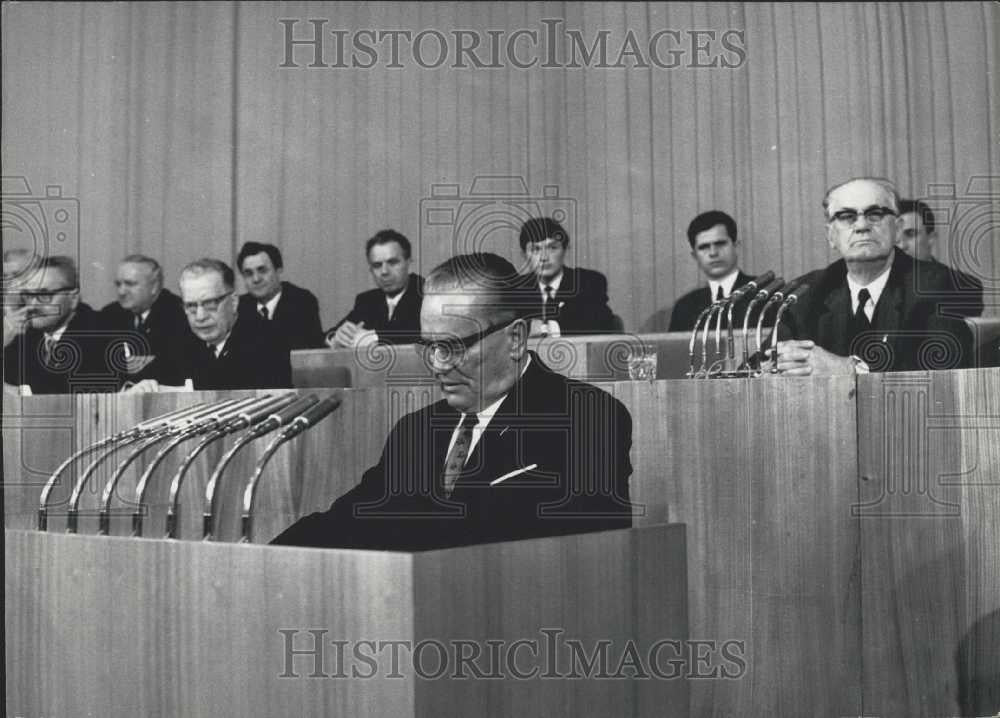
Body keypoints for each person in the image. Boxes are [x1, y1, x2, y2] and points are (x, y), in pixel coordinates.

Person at [273, 253, 634, 551]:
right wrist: (261, 560)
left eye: (454, 346)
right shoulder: (415, 432)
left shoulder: (587, 418)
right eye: (430, 347)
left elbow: (574, 549)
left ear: (516, 338)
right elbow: (348, 521)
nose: (438, 365)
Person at [775, 178, 974, 375]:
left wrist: (850, 369)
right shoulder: (807, 291)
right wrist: (773, 368)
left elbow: (945, 367)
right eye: (846, 216)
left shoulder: (935, 284)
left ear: (897, 229)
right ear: (831, 236)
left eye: (875, 214)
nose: (862, 226)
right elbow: (763, 362)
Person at [134, 258, 291, 391]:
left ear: (234, 302)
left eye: (210, 303)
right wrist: (144, 387)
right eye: (191, 306)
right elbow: (148, 380)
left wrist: (185, 390)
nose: (200, 317)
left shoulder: (267, 338)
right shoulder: (179, 339)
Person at [3, 256, 119, 394]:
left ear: (73, 298)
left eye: (44, 295)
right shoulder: (25, 335)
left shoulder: (101, 331)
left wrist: (19, 392)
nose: (33, 305)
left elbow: (79, 391)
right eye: (28, 295)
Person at [99, 254, 191, 384]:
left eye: (130, 284)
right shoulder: (109, 315)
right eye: (118, 284)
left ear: (154, 286)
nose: (121, 291)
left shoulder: (180, 316)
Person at [518, 216, 618, 335]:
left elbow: (602, 323)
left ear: (565, 249)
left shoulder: (588, 282)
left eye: (552, 248)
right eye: (536, 249)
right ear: (524, 255)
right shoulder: (517, 289)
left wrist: (546, 328)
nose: (544, 257)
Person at [659, 210, 755, 333]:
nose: (713, 253)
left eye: (720, 244)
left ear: (736, 246)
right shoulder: (684, 307)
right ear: (695, 255)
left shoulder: (766, 294)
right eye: (704, 247)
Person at [326, 229, 424, 348]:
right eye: (377, 265)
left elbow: (426, 335)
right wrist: (336, 337)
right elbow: (328, 335)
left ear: (409, 263)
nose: (384, 271)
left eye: (392, 263)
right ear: (371, 270)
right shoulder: (367, 300)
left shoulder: (427, 294)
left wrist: (374, 338)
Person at [895, 198, 984, 317]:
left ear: (931, 238)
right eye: (894, 237)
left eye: (910, 234)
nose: (901, 245)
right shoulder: (874, 287)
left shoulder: (963, 287)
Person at [236, 242, 325, 350]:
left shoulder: (301, 302)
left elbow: (306, 354)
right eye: (249, 273)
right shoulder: (239, 307)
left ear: (278, 270)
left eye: (262, 270)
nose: (256, 279)